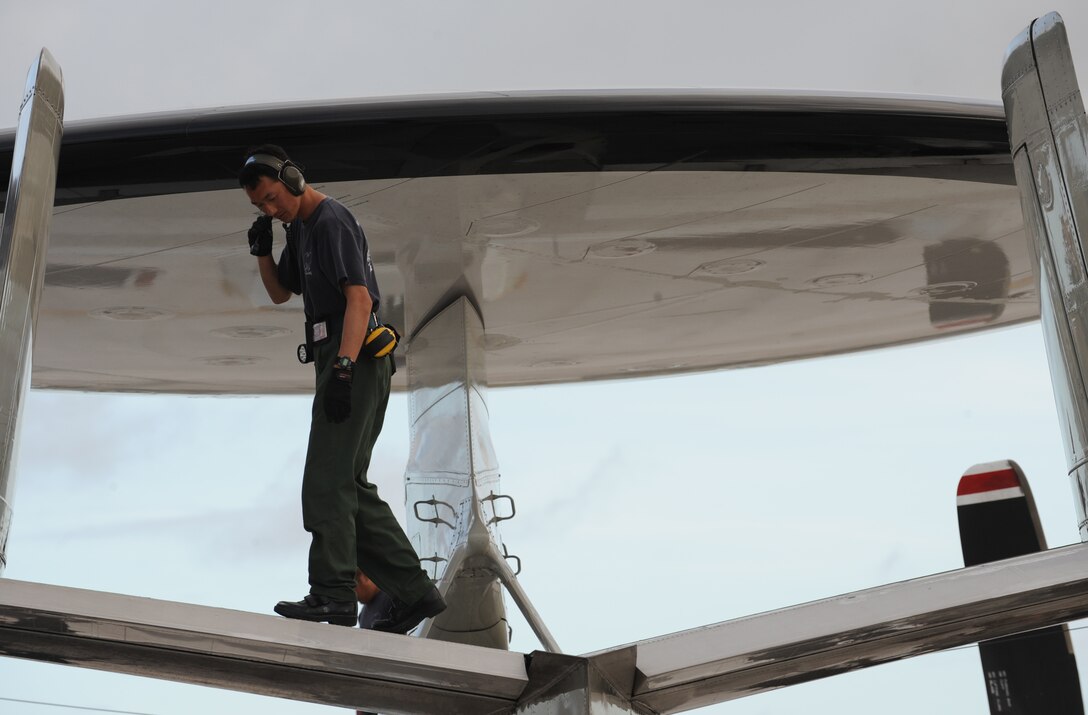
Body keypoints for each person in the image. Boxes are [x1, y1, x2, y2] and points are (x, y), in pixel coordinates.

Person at [239, 145, 445, 633]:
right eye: (261, 207)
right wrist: (264, 251)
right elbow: (280, 292)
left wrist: (346, 369)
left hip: (353, 354)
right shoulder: (301, 228)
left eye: (272, 199)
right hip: (338, 356)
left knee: (326, 482)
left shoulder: (331, 221)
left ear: (292, 178)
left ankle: (333, 595)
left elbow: (359, 298)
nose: (271, 210)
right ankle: (415, 593)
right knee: (348, 486)